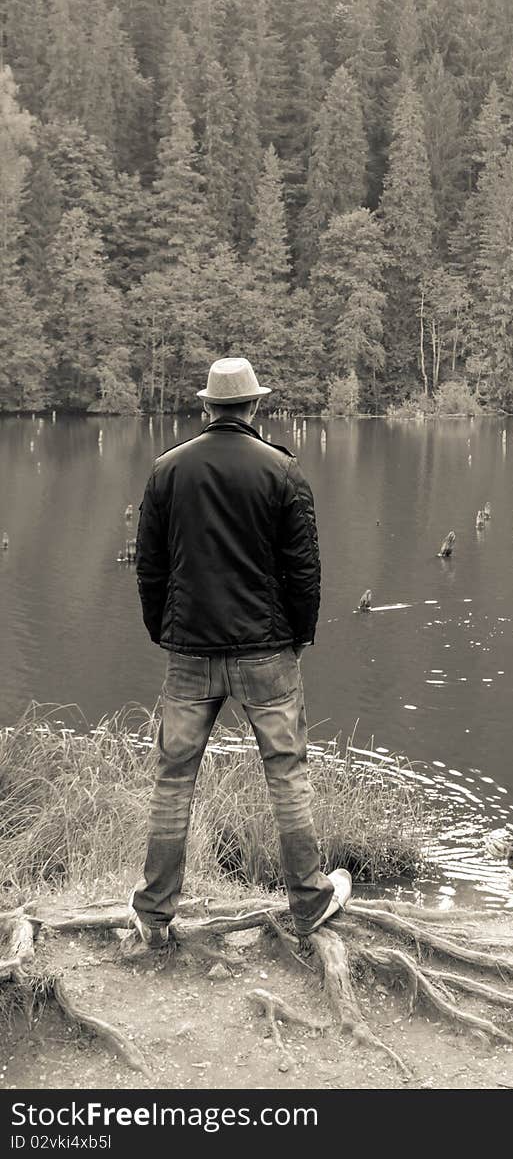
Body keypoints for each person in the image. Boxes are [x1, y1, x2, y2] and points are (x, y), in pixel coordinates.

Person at [131, 356, 351, 948]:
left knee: (174, 779)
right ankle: (309, 903)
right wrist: (301, 634)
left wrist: (163, 629)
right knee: (286, 774)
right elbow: (304, 570)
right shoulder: (282, 471)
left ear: (207, 407)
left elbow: (150, 568)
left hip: (189, 650)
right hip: (268, 651)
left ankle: (154, 914)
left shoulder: (166, 470)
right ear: (254, 407)